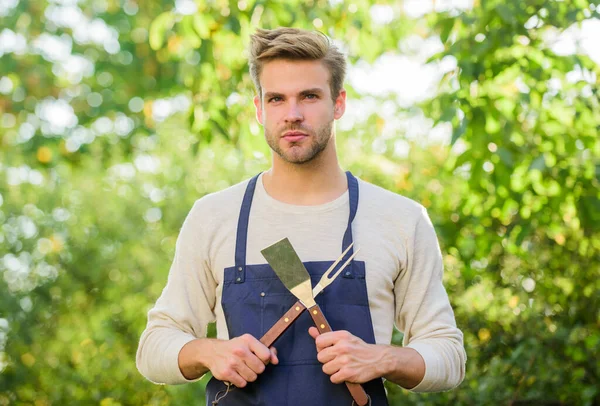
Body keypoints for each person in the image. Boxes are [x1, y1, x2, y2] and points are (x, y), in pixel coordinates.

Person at [136, 27, 466, 405]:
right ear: (259, 109)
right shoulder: (214, 216)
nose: (292, 115)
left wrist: (384, 358)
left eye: (309, 96)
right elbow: (153, 348)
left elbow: (449, 356)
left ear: (338, 103)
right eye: (276, 99)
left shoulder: (400, 219)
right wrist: (208, 352)